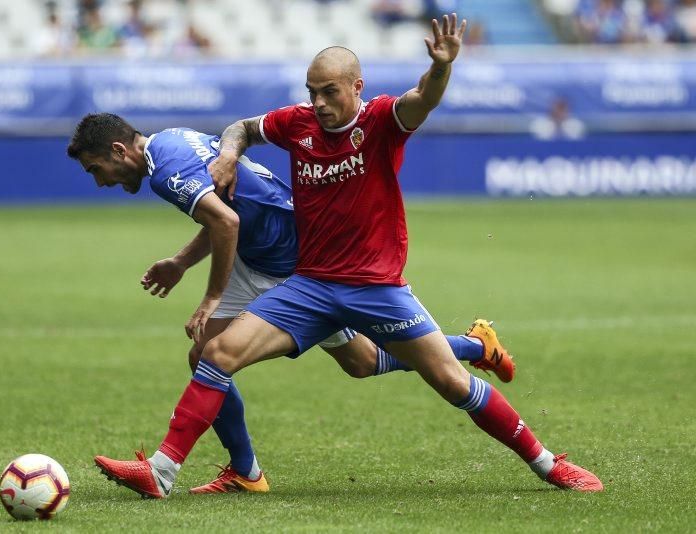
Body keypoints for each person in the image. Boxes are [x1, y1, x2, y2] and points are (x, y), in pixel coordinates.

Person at [92, 13, 603, 498]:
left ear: (357, 87)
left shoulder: (381, 121)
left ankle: (547, 463)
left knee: (448, 382)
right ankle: (163, 472)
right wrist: (229, 153)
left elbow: (422, 99)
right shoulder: (297, 124)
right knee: (214, 354)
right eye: (312, 92)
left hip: (376, 288)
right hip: (308, 284)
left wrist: (441, 66)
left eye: (329, 91)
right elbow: (244, 129)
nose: (318, 102)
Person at [68, 113, 515, 493]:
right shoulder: (171, 141)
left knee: (360, 361)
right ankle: (246, 473)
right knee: (210, 354)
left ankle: (473, 346)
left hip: (292, 260)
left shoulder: (166, 171)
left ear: (117, 150)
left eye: (94, 169)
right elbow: (229, 209)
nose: (100, 182)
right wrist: (181, 263)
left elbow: (225, 222)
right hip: (260, 248)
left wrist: (211, 298)